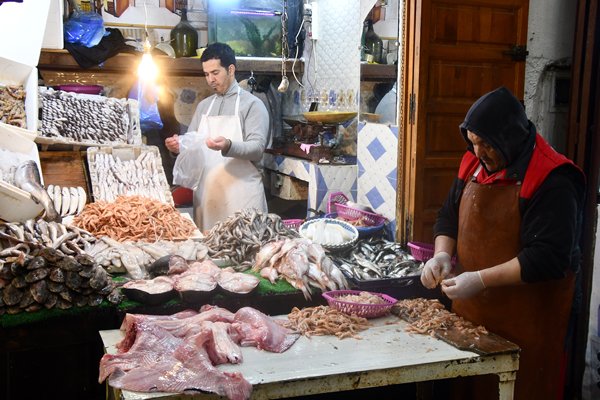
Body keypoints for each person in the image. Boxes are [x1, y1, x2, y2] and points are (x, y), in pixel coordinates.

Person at [420, 86, 585, 400]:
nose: (479, 153)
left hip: (530, 323)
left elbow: (547, 257)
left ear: (509, 138)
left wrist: (480, 279)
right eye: (473, 143)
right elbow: (448, 216)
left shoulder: (552, 178)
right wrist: (442, 255)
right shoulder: (473, 164)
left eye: (486, 144)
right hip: (473, 319)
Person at [165, 42, 270, 231]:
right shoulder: (204, 106)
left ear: (230, 70)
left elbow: (257, 149)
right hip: (208, 198)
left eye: (215, 73)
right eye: (206, 74)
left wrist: (228, 145)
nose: (210, 79)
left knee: (246, 255)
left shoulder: (253, 105)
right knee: (208, 257)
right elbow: (192, 147)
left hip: (243, 199)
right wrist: (178, 147)